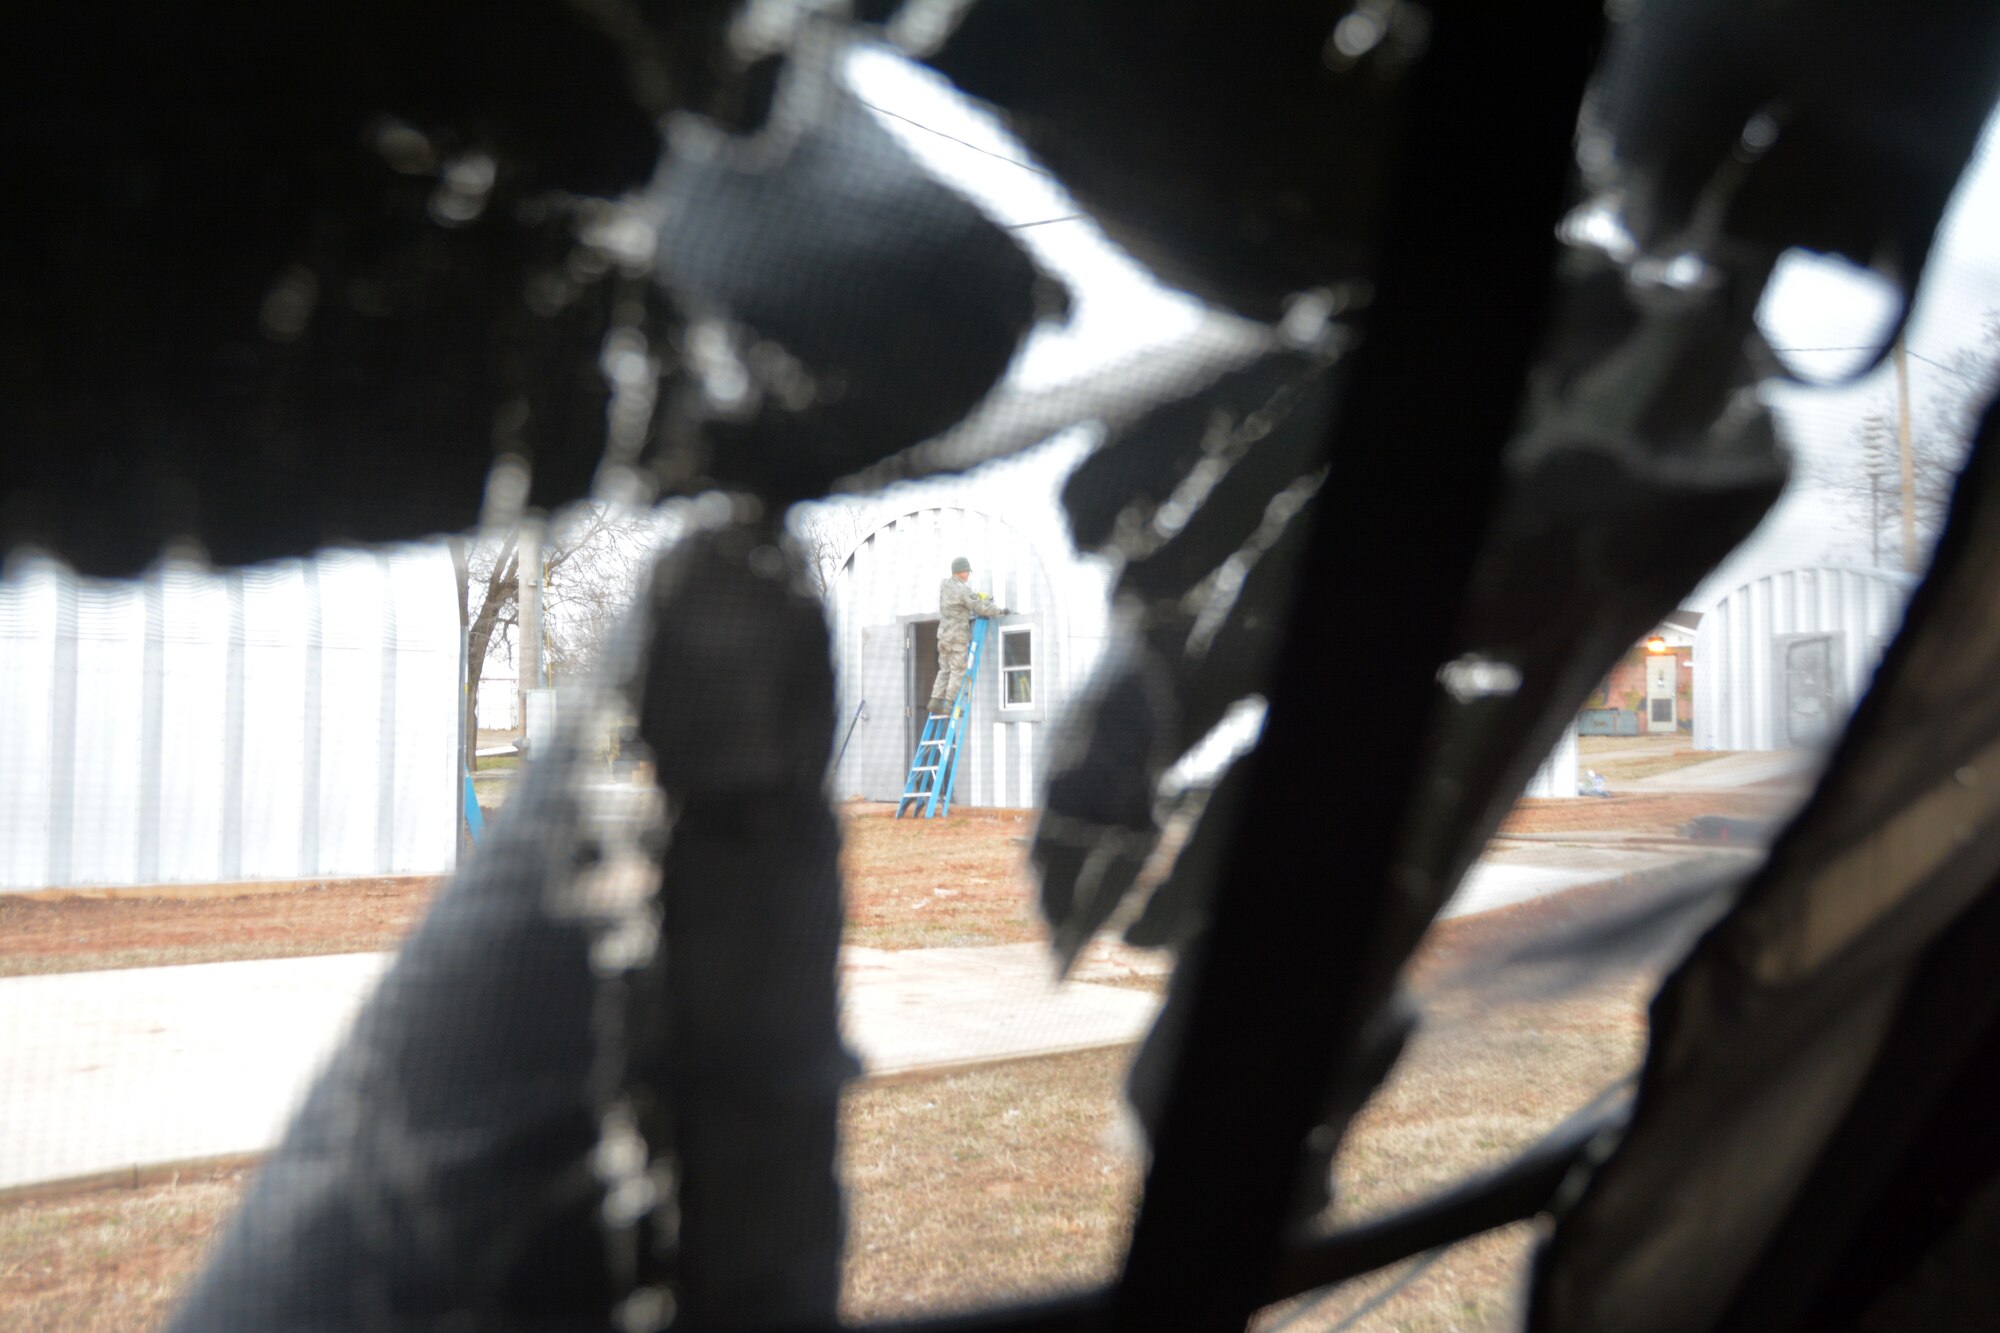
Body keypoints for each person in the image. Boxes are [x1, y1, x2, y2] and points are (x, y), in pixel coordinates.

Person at [928, 556, 1007, 715]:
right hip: (957, 638)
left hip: (943, 636)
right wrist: (999, 611)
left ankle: (935, 701)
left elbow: (963, 598)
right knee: (958, 670)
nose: (969, 575)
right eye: (968, 571)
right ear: (961, 571)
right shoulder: (963, 590)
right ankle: (949, 705)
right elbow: (979, 608)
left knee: (944, 669)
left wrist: (974, 595)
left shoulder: (945, 585)